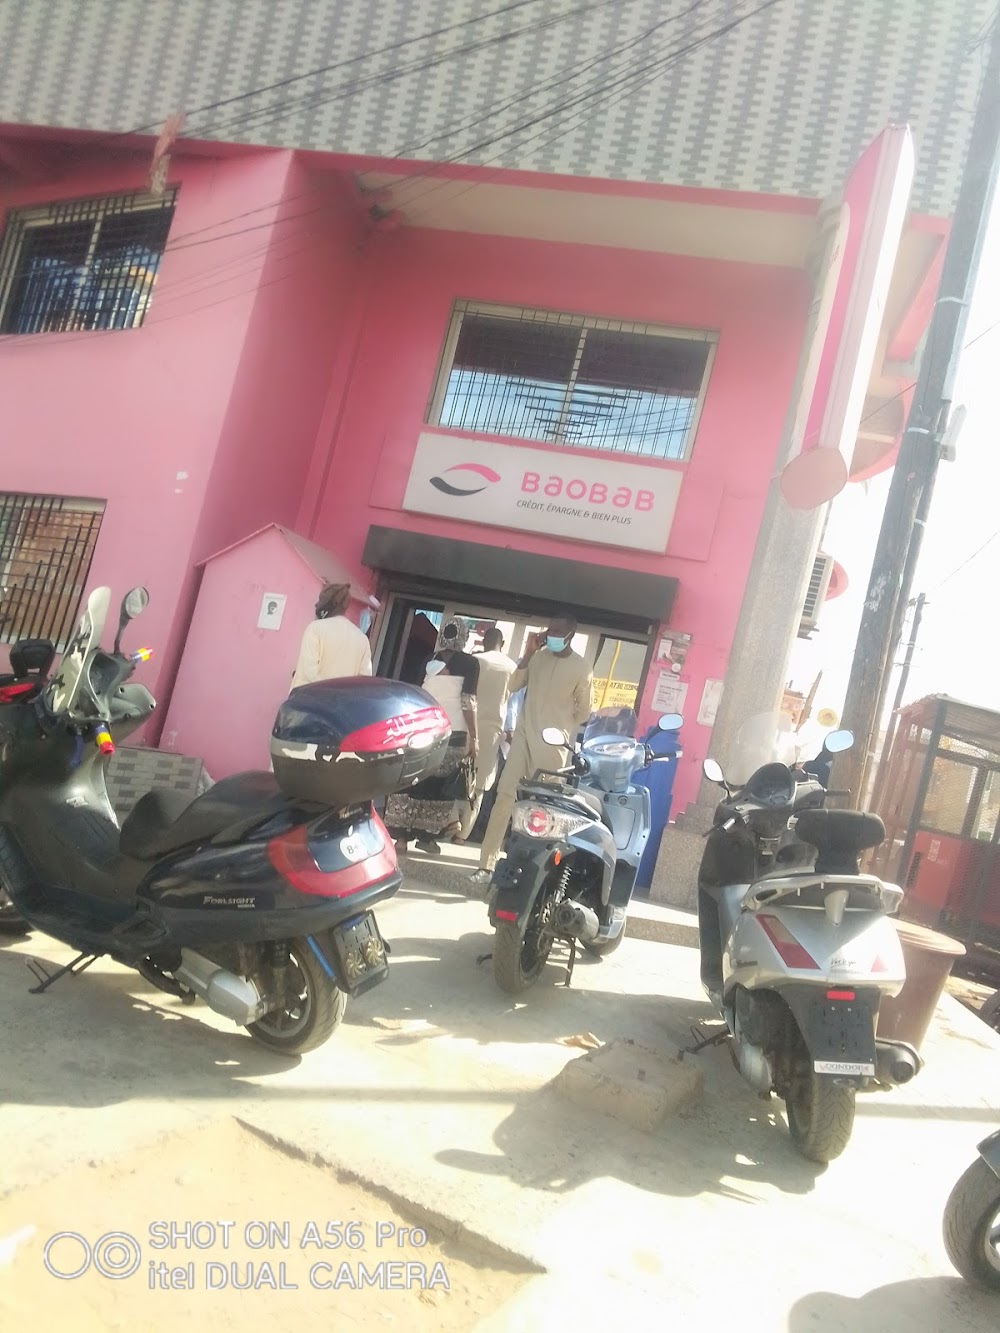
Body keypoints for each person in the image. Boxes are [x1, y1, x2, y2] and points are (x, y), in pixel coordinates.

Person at [469, 614, 593, 888]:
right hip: (523, 740)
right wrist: (527, 653)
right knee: (504, 798)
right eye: (550, 629)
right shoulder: (537, 658)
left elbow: (584, 712)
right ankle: (485, 866)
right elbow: (513, 686)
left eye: (558, 630)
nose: (552, 634)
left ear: (570, 634)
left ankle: (538, 874)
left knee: (546, 809)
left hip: (553, 747)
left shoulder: (581, 667)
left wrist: (560, 723)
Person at [385, 620, 479, 855]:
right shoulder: (470, 664)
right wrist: (474, 737)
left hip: (422, 728)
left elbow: (416, 695)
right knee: (439, 785)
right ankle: (427, 839)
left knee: (411, 780)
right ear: (463, 637)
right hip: (453, 732)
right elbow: (468, 701)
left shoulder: (428, 661)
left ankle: (401, 839)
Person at [456, 628, 518, 842]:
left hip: (465, 723)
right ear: (503, 641)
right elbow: (511, 706)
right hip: (492, 730)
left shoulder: (473, 661)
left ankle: (450, 823)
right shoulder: (512, 668)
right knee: (480, 782)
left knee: (457, 775)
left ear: (484, 641)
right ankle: (463, 834)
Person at [291, 583, 372, 687]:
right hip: (341, 702)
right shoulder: (362, 639)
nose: (317, 605)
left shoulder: (315, 628)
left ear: (332, 604)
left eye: (321, 600)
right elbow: (364, 681)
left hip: (308, 699)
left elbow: (309, 672)